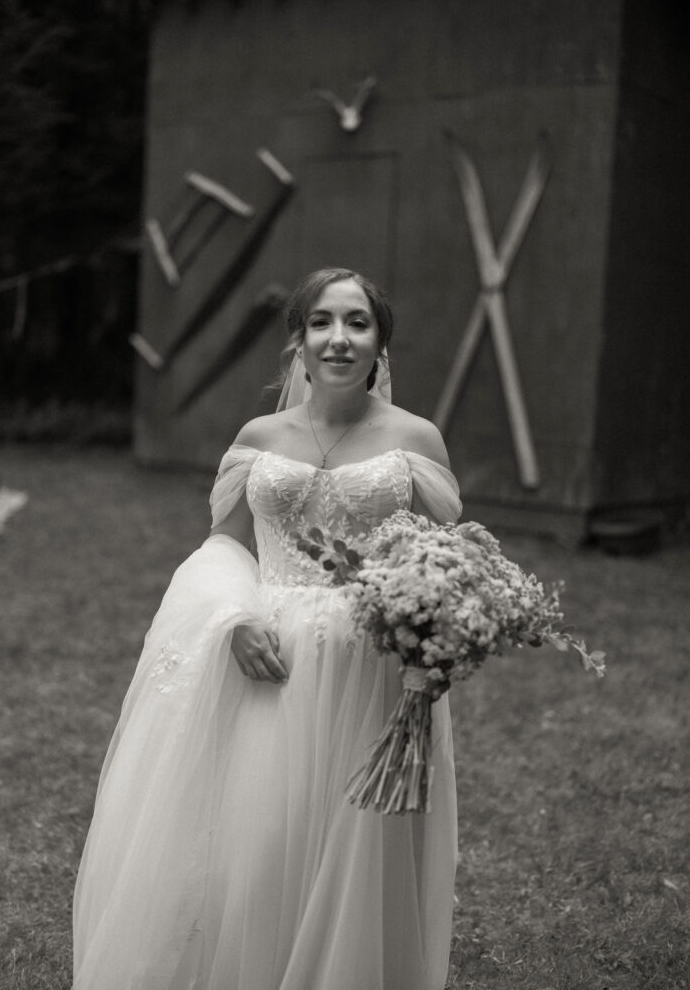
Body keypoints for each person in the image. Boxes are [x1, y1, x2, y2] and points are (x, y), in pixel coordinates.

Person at [73, 267, 462, 990]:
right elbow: (223, 544)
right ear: (299, 341)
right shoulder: (260, 435)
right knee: (258, 842)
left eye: (356, 323)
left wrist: (425, 651)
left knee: (356, 849)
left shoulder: (416, 439)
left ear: (380, 343)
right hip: (270, 658)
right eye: (321, 322)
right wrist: (233, 619)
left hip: (370, 667)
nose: (338, 339)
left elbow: (449, 561)